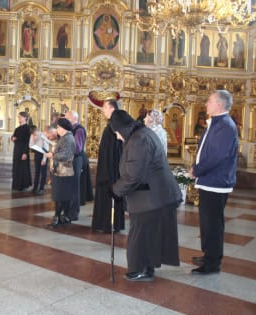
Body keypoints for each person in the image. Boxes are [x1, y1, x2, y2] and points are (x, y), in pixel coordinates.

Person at [111, 109, 182, 282]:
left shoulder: (138, 140)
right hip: (153, 194)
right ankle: (146, 267)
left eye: (117, 133)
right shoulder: (141, 133)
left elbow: (134, 175)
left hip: (151, 197)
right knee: (149, 233)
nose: (117, 137)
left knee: (141, 233)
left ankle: (141, 268)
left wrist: (115, 190)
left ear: (122, 129)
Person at [189, 90, 238, 275]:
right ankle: (209, 253)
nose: (206, 104)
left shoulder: (225, 126)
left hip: (216, 182)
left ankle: (212, 263)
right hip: (210, 180)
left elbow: (217, 156)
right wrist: (196, 166)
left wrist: (197, 170)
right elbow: (205, 151)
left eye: (209, 101)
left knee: (213, 224)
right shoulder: (217, 123)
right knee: (208, 222)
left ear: (219, 105)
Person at [91, 99, 125, 233]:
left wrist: (106, 173)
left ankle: (109, 223)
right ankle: (106, 223)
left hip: (110, 172)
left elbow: (112, 154)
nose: (103, 110)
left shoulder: (113, 127)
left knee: (108, 197)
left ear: (112, 108)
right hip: (109, 170)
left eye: (105, 107)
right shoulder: (111, 125)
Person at [45, 118, 75, 227]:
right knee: (63, 196)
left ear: (63, 128)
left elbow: (65, 155)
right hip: (62, 171)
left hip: (63, 172)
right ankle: (64, 216)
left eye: (58, 127)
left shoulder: (68, 138)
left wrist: (52, 155)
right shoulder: (65, 137)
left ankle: (57, 218)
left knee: (59, 196)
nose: (57, 129)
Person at [65, 110, 86, 221]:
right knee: (68, 187)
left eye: (67, 118)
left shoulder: (79, 130)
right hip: (69, 160)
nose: (66, 120)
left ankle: (73, 213)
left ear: (74, 118)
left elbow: (77, 148)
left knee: (74, 187)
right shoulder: (70, 129)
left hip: (76, 160)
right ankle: (67, 211)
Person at [11, 111, 32, 191]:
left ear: (25, 118)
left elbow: (28, 142)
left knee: (23, 168)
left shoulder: (28, 128)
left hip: (23, 150)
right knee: (16, 167)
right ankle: (16, 184)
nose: (19, 118)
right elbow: (14, 136)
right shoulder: (17, 128)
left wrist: (25, 153)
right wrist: (12, 138)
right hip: (17, 150)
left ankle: (23, 185)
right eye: (18, 117)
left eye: (20, 117)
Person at [29, 125, 49, 195]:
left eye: (35, 133)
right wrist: (34, 140)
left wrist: (44, 159)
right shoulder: (32, 135)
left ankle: (41, 188)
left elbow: (46, 148)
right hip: (37, 154)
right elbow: (30, 145)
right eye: (33, 134)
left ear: (38, 131)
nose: (35, 135)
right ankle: (35, 188)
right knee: (37, 172)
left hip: (44, 155)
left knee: (43, 173)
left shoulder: (43, 135)